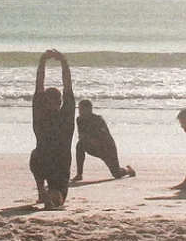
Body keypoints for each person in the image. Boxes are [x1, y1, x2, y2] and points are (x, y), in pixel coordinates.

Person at [30, 50, 77, 209]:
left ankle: (47, 195)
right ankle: (43, 192)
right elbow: (40, 87)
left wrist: (52, 62)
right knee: (35, 156)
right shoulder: (45, 115)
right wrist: (61, 62)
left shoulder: (58, 115)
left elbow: (66, 87)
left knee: (57, 198)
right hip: (47, 161)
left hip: (60, 166)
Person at [73, 99, 134, 181]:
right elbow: (81, 135)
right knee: (80, 145)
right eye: (79, 109)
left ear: (89, 110)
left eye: (82, 109)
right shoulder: (79, 120)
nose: (80, 111)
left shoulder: (98, 119)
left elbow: (106, 136)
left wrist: (96, 141)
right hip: (92, 146)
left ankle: (128, 170)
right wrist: (89, 140)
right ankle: (79, 174)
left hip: (107, 148)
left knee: (117, 174)